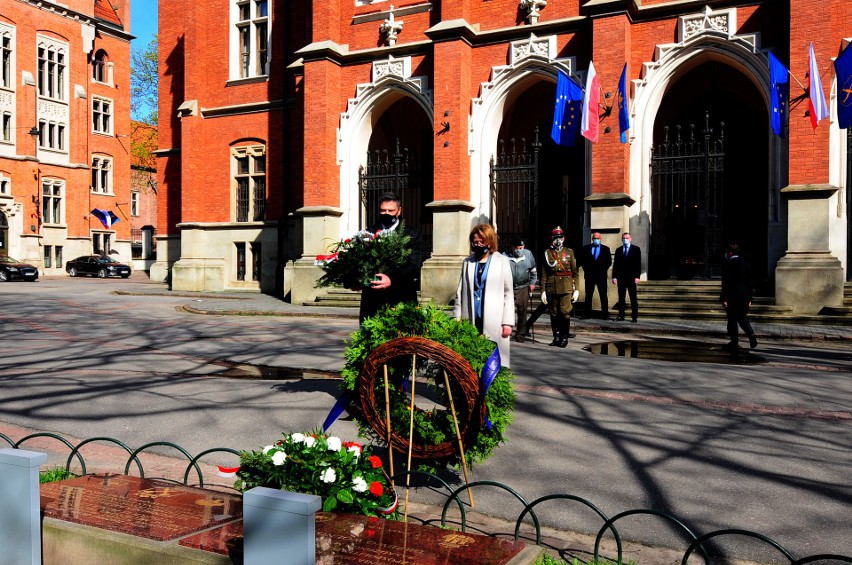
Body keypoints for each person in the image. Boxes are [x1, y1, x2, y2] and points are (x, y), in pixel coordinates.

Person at [454, 224, 515, 367]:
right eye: (475, 242)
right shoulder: (467, 262)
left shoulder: (502, 262)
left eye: (482, 241)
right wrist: (456, 319)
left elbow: (508, 293)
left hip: (494, 319)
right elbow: (460, 292)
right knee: (471, 358)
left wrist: (507, 322)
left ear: (490, 241)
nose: (478, 245)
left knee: (493, 359)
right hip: (471, 317)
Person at [359, 192, 424, 324]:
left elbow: (414, 266)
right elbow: (360, 262)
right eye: (383, 210)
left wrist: (392, 279)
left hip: (401, 297)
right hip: (372, 301)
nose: (386, 213)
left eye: (391, 210)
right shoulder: (368, 233)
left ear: (399, 211)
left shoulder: (411, 235)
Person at [539, 226, 580, 347]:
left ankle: (564, 337)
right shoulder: (547, 253)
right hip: (552, 287)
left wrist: (576, 289)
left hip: (566, 287)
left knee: (564, 312)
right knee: (554, 313)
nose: (558, 240)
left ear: (564, 238)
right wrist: (543, 291)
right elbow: (544, 274)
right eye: (556, 237)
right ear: (552, 239)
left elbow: (575, 272)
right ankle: (556, 337)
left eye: (560, 237)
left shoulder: (569, 252)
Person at [720, 243, 758, 349]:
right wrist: (750, 298)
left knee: (732, 320)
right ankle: (751, 335)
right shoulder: (746, 264)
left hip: (731, 297)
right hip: (743, 298)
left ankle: (734, 341)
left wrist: (724, 299)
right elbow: (750, 283)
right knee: (743, 318)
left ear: (730, 253)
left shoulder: (727, 265)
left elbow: (725, 284)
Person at [506, 237, 537, 342]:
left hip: (523, 286)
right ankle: (506, 332)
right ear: (512, 248)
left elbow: (533, 270)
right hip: (508, 287)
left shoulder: (528, 254)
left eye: (521, 247)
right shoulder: (504, 256)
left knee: (522, 311)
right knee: (506, 310)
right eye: (517, 248)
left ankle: (521, 334)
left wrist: (532, 283)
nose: (519, 250)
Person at [578, 231, 611, 319]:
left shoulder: (606, 249)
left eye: (597, 238)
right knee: (588, 295)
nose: (596, 240)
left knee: (603, 295)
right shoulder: (586, 248)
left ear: (601, 239)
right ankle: (587, 314)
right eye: (594, 238)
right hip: (589, 276)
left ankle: (605, 314)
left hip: (601, 276)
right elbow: (582, 261)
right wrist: (587, 270)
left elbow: (608, 262)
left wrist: (602, 270)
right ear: (592, 239)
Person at [612, 232, 641, 322]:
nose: (625, 240)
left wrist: (637, 276)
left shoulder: (636, 249)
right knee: (621, 298)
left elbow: (638, 264)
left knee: (633, 298)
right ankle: (621, 315)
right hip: (621, 278)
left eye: (627, 238)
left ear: (630, 239)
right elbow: (615, 265)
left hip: (632, 277)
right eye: (624, 238)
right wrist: (614, 277)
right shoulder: (619, 250)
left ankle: (634, 316)